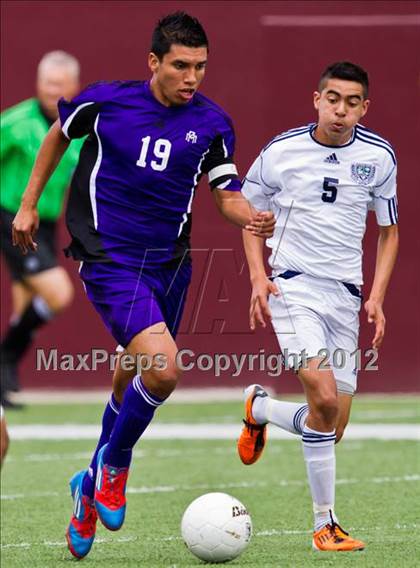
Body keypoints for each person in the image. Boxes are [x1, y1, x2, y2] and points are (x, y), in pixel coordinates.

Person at [12, 12, 275, 560]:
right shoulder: (108, 101)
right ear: (154, 62)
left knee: (132, 371)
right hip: (108, 254)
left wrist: (249, 214)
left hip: (170, 263)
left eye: (201, 66)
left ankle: (86, 487)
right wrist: (30, 204)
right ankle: (114, 464)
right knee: (164, 366)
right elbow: (58, 136)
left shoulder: (214, 122)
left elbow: (226, 193)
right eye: (181, 65)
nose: (192, 77)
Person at [237, 61, 398, 552]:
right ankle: (324, 525)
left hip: (345, 297)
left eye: (352, 102)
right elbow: (248, 214)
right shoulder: (281, 151)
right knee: (324, 400)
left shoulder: (380, 158)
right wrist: (259, 278)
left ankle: (260, 408)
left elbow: (389, 231)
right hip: (293, 288)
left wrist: (376, 297)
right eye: (333, 99)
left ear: (364, 108)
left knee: (333, 424)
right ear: (316, 99)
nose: (341, 110)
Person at [0, 51, 82, 408]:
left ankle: (2, 383)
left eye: (60, 86)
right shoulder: (15, 122)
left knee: (24, 308)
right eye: (48, 84)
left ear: (74, 87)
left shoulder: (77, 128)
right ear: (38, 84)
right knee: (58, 294)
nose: (53, 92)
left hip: (47, 223)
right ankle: (4, 359)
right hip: (12, 218)